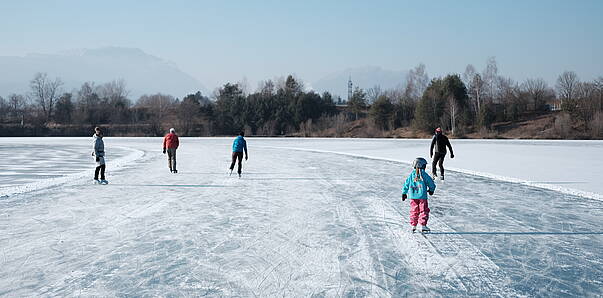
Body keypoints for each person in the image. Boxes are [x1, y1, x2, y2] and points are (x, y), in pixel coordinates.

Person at [402, 157, 436, 233]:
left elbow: (406, 184)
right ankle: (423, 225)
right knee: (423, 210)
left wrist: (404, 192)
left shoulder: (412, 175)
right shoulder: (424, 174)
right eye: (424, 165)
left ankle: (413, 225)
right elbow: (431, 183)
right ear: (421, 165)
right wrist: (431, 190)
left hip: (413, 197)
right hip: (422, 197)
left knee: (414, 210)